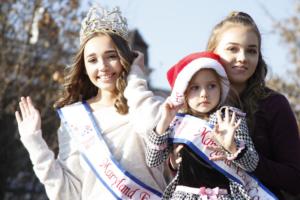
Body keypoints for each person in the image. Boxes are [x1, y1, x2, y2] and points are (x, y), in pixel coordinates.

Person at [15, 4, 166, 200]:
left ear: (124, 59)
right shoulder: (74, 118)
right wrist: (35, 143)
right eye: (92, 60)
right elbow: (67, 193)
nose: (102, 66)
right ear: (84, 67)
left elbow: (155, 134)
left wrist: (136, 77)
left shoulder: (149, 105)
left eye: (111, 56)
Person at [206, 11, 300, 199]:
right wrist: (175, 163)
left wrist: (242, 156)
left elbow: (295, 178)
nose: (242, 57)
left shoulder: (274, 104)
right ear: (212, 52)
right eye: (232, 49)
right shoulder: (195, 102)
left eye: (251, 50)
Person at [146, 51, 262, 199]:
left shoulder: (229, 117)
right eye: (195, 87)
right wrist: (164, 122)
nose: (204, 94)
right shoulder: (178, 122)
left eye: (211, 86)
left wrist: (232, 146)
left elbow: (252, 164)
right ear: (184, 93)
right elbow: (152, 160)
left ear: (221, 88)